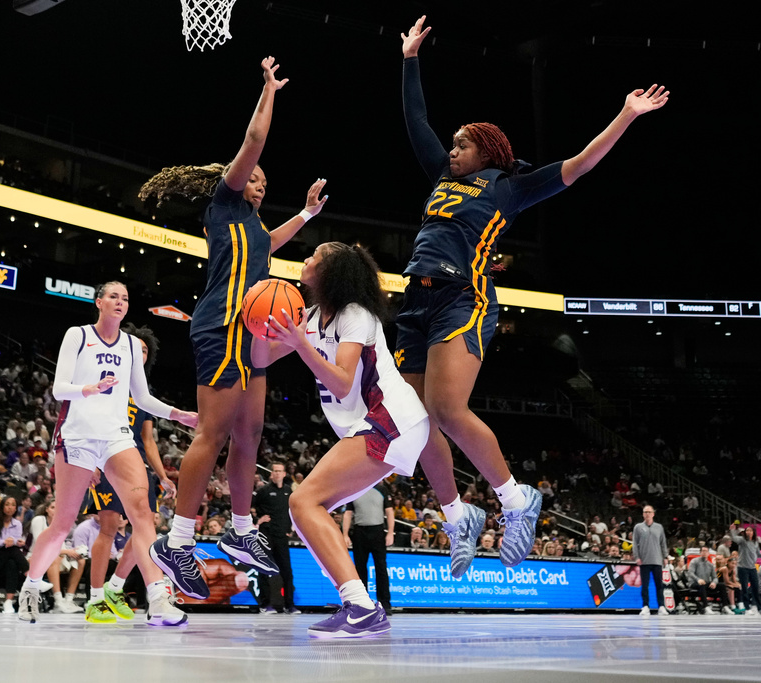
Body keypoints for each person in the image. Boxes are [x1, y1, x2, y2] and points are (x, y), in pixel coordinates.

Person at [395, 16, 669, 570]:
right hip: (415, 300)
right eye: (452, 145)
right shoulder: (441, 177)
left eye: (462, 145)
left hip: (463, 298)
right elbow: (416, 119)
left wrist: (626, 114)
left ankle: (517, 500)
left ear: (486, 153)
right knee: (413, 422)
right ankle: (457, 515)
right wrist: (410, 60)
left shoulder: (510, 188)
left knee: (446, 409)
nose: (452, 150)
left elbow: (580, 165)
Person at [139, 56, 328, 600]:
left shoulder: (255, 230)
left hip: (251, 332)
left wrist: (307, 215)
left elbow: (271, 242)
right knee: (214, 432)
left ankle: (241, 532)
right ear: (237, 180)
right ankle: (177, 541)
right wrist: (269, 91)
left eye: (265, 181)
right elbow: (254, 140)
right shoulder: (223, 206)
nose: (260, 183)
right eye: (255, 178)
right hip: (220, 323)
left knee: (250, 433)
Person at [251, 242, 430, 638]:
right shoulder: (311, 317)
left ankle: (361, 606)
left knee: (302, 501)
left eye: (314, 256)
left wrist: (301, 344)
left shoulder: (356, 315)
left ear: (331, 270)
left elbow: (343, 381)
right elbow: (261, 359)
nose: (306, 259)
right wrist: (258, 322)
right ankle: (358, 604)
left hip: (391, 416)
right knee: (306, 510)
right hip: (374, 424)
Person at [16, 281, 197, 626]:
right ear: (99, 302)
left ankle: (158, 597)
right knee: (62, 524)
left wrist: (179, 414)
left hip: (116, 437)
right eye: (113, 296)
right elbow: (59, 389)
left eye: (125, 298)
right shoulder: (78, 335)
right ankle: (31, 586)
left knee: (142, 514)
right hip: (78, 435)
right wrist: (90, 389)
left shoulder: (131, 345)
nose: (120, 301)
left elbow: (142, 398)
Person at [80, 323, 179, 624]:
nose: (140, 352)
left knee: (144, 526)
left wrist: (163, 475)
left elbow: (148, 441)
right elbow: (87, 419)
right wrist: (92, 462)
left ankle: (115, 586)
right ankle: (95, 599)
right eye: (136, 347)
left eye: (145, 350)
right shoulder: (105, 377)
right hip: (107, 458)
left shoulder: (144, 392)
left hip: (135, 464)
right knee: (108, 527)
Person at [343, 480, 396, 613]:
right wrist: (345, 534)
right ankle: (362, 603)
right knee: (360, 569)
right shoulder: (355, 489)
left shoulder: (382, 489)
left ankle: (385, 603)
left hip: (377, 531)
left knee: (381, 568)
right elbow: (348, 513)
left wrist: (390, 532)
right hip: (360, 531)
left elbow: (389, 511)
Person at [253, 461, 298, 615]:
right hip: (266, 535)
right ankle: (265, 604)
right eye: (275, 471)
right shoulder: (263, 491)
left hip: (281, 536)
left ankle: (289, 605)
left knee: (287, 571)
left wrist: (290, 528)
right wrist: (258, 520)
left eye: (280, 471)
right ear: (271, 474)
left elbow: (292, 511)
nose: (277, 473)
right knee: (264, 568)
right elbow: (250, 508)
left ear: (284, 474)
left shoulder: (288, 491)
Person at [28, 500, 83, 614]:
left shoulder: (62, 524)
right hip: (35, 557)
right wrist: (66, 551)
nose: (56, 510)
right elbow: (40, 544)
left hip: (56, 556)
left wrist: (73, 551)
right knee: (55, 558)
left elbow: (61, 546)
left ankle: (68, 600)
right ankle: (58, 601)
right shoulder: (39, 520)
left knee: (81, 561)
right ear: (47, 510)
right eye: (53, 507)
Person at [632, 505, 668, 615]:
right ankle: (645, 606)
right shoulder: (638, 527)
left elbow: (663, 543)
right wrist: (637, 557)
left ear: (653, 514)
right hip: (644, 561)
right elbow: (635, 543)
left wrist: (665, 556)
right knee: (645, 585)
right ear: (643, 514)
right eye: (645, 512)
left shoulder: (659, 527)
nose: (647, 514)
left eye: (649, 512)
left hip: (657, 560)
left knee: (659, 585)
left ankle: (661, 606)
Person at [729, 523, 761, 614]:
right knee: (745, 588)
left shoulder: (755, 542)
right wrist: (732, 530)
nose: (749, 532)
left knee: (756, 588)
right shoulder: (742, 540)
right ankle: (747, 608)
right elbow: (734, 538)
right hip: (743, 568)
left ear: (753, 532)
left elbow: (757, 554)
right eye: (747, 530)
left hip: (752, 568)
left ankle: (759, 607)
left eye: (750, 531)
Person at [687, 546, 718, 614]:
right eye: (703, 551)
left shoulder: (710, 565)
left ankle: (725, 606)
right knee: (702, 585)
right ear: (700, 552)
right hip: (694, 583)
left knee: (722, 586)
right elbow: (690, 573)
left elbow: (715, 577)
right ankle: (706, 606)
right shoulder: (694, 561)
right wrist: (698, 579)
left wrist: (714, 582)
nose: (704, 553)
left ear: (708, 553)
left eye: (706, 551)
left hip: (705, 583)